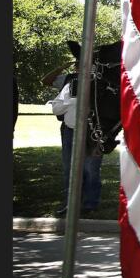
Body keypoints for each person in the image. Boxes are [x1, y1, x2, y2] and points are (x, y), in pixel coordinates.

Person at [42, 58, 104, 216]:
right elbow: (47, 84)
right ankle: (70, 203)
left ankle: (90, 204)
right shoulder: (69, 81)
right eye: (79, 65)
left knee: (91, 169)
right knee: (69, 167)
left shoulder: (100, 81)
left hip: (93, 131)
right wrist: (64, 65)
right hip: (69, 130)